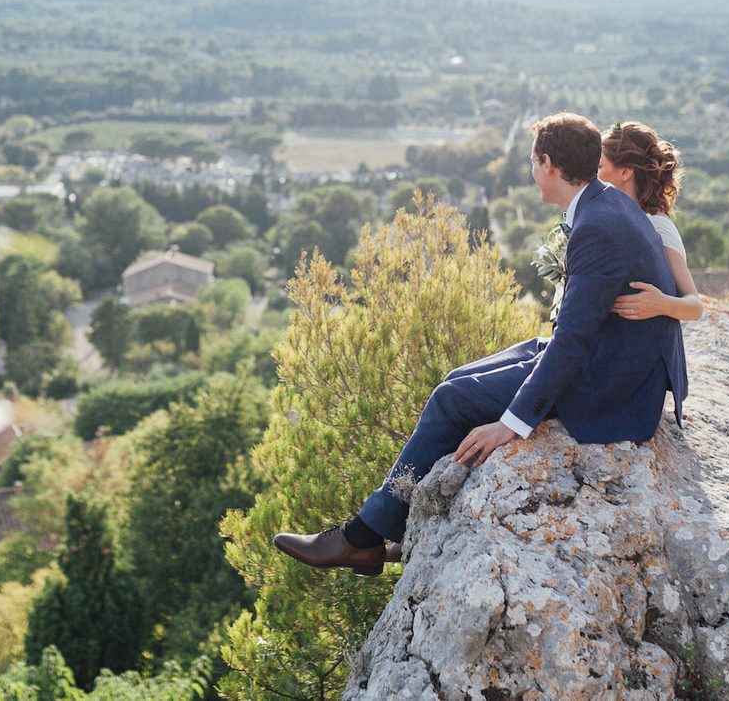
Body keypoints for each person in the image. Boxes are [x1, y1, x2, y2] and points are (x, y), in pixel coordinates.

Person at [273, 113, 689, 575]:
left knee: (453, 399)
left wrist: (510, 425)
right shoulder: (605, 200)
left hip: (612, 380)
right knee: (456, 381)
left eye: (533, 162)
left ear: (548, 164)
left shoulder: (596, 224)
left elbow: (572, 344)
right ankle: (393, 525)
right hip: (615, 352)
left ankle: (364, 538)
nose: (531, 171)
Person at [598, 121, 704, 324]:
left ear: (625, 172)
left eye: (600, 166)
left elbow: (695, 306)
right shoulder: (610, 220)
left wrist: (661, 304)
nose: (594, 175)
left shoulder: (658, 225)